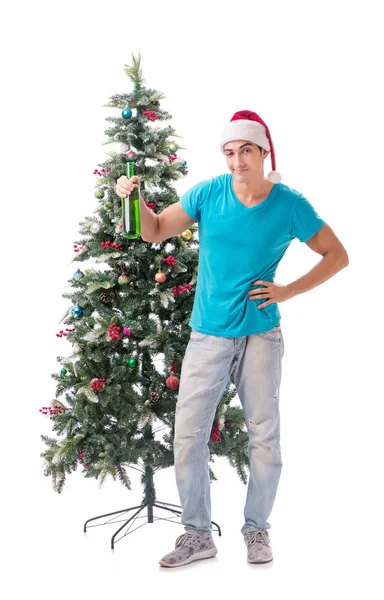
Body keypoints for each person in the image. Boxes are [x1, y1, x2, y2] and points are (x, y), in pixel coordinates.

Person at [115, 110, 349, 568]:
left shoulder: (290, 205)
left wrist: (288, 290)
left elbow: (337, 255)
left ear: (263, 153)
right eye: (229, 152)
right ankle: (197, 535)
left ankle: (257, 530)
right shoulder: (208, 193)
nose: (237, 160)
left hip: (262, 336)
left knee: (265, 437)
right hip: (208, 336)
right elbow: (155, 230)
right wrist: (133, 197)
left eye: (245, 150)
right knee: (188, 436)